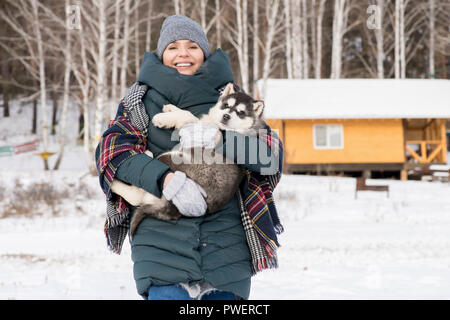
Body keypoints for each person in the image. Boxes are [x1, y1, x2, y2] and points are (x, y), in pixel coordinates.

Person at [96, 14, 283, 300]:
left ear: (204, 53)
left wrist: (221, 139)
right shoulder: (139, 100)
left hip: (226, 251)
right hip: (160, 244)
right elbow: (112, 152)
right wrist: (165, 180)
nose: (183, 53)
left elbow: (270, 156)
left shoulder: (231, 98)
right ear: (162, 54)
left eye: (192, 46)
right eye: (173, 47)